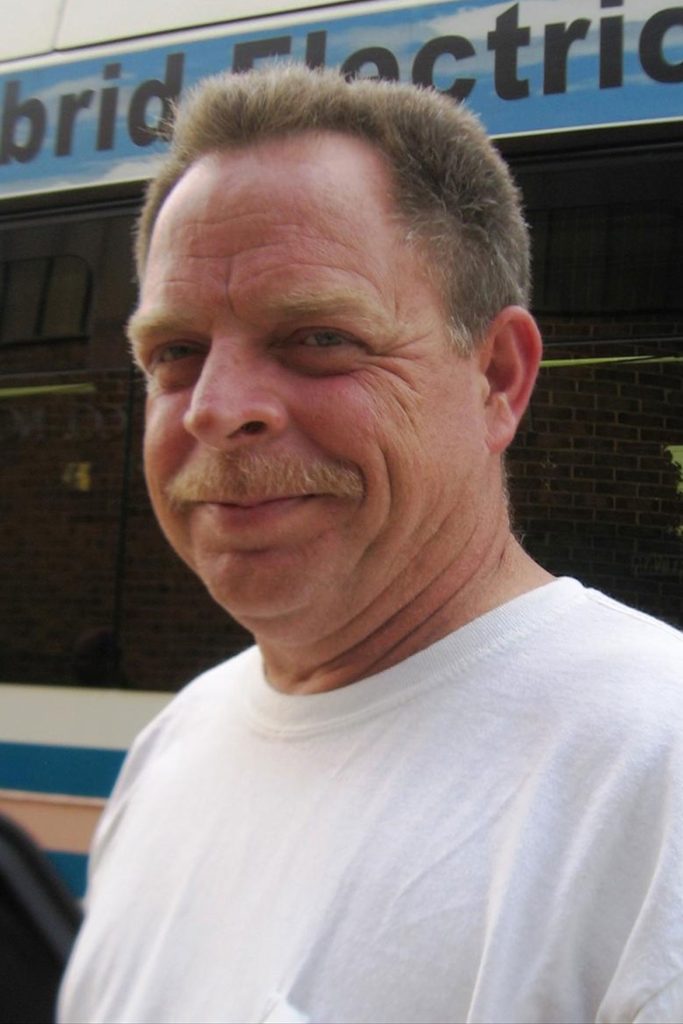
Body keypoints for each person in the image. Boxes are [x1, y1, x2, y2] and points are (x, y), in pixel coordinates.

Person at [59, 65, 683, 1024]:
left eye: (316, 338)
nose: (220, 410)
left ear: (496, 379)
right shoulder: (172, 749)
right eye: (175, 353)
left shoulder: (651, 773)